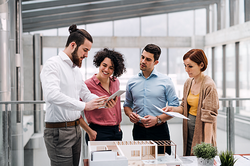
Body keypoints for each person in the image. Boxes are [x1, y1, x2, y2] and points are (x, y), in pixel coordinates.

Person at [40, 24, 115, 166]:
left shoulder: (75, 70)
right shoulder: (53, 64)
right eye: (85, 50)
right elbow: (52, 95)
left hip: (76, 130)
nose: (87, 55)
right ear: (73, 45)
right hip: (58, 131)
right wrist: (85, 106)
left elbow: (86, 94)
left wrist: (103, 101)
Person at [123, 44, 179, 155]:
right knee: (140, 162)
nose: (143, 61)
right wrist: (130, 114)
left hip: (160, 131)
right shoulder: (131, 81)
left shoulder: (166, 81)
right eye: (142, 57)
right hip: (138, 131)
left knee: (163, 162)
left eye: (148, 59)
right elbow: (127, 105)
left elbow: (175, 107)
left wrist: (157, 119)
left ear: (155, 62)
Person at [163, 49, 219, 156]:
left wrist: (207, 146)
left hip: (201, 128)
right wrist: (173, 109)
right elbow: (184, 107)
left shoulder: (209, 85)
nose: (186, 69)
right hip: (188, 127)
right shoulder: (189, 82)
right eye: (185, 66)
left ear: (201, 65)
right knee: (189, 155)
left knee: (200, 157)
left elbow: (209, 119)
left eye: (190, 66)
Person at [80, 48, 126, 144]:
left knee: (117, 159)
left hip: (116, 132)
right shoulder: (87, 85)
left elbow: (116, 107)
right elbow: (75, 112)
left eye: (111, 68)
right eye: (104, 65)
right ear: (99, 64)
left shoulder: (115, 82)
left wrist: (118, 126)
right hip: (98, 132)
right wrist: (89, 131)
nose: (106, 70)